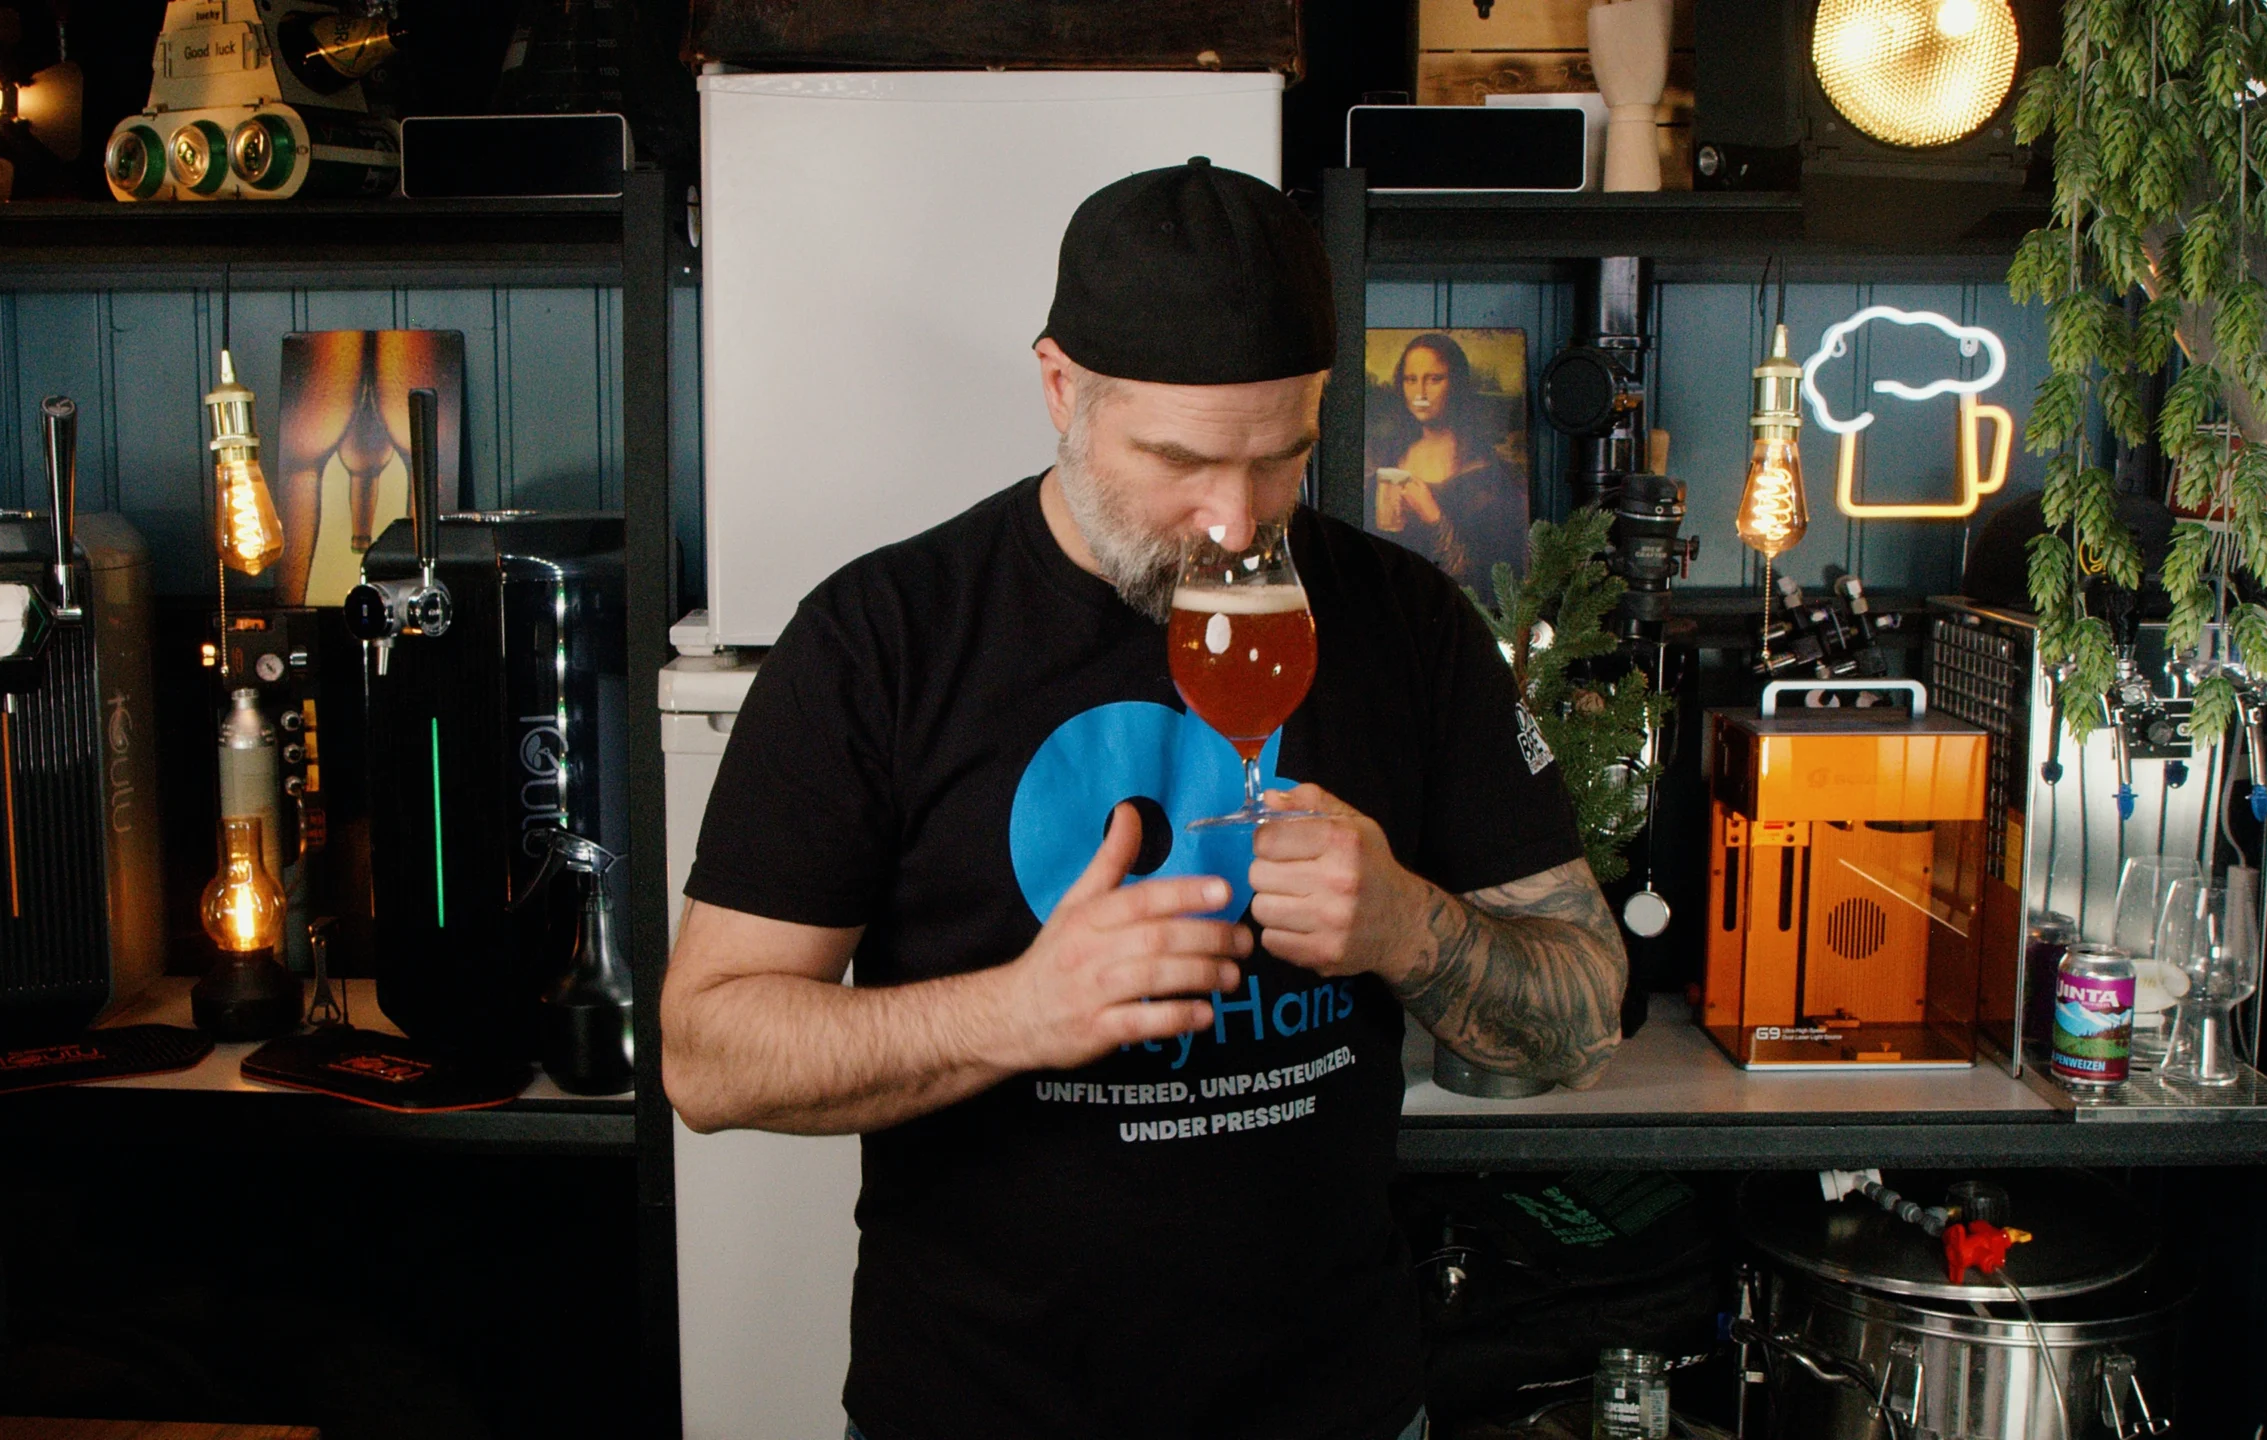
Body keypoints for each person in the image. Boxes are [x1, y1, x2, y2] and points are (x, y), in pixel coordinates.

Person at [664, 156, 1627, 1440]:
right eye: (1178, 460)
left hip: (1334, 1408)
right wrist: (1017, 1009)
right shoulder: (880, 639)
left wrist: (1405, 926)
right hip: (977, 1410)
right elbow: (708, 1056)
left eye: (1280, 460)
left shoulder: (1409, 625)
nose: (1233, 521)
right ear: (1061, 388)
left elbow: (1586, 1012)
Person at [1369, 332, 1531, 602]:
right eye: (1411, 380)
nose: (1420, 393)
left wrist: (1433, 517)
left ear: (1455, 384)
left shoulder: (1488, 476)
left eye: (1434, 379)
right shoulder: (1386, 459)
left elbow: (1492, 583)